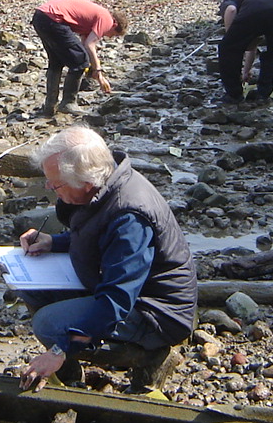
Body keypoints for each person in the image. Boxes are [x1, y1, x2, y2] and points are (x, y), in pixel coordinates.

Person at [15, 126, 196, 394]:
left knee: (48, 324)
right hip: (124, 289)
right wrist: (54, 242)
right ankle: (69, 372)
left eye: (56, 184)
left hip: (156, 312)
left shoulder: (130, 217)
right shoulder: (105, 183)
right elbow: (97, 236)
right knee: (30, 286)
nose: (50, 189)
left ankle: (144, 358)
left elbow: (117, 299)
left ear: (86, 182)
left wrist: (58, 349)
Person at [30, 0, 128, 116]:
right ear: (115, 24)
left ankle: (50, 106)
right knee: (80, 62)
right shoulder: (107, 19)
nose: (110, 37)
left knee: (56, 62)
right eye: (113, 34)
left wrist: (92, 70)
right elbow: (89, 45)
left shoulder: (94, 20)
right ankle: (68, 103)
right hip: (53, 19)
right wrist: (99, 72)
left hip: (41, 17)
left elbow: (83, 45)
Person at [218, 0, 273, 103]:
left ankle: (234, 95)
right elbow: (252, 44)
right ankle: (264, 93)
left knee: (227, 48)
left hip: (256, 11)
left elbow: (231, 10)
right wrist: (246, 71)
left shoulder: (229, 0)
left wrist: (231, 40)